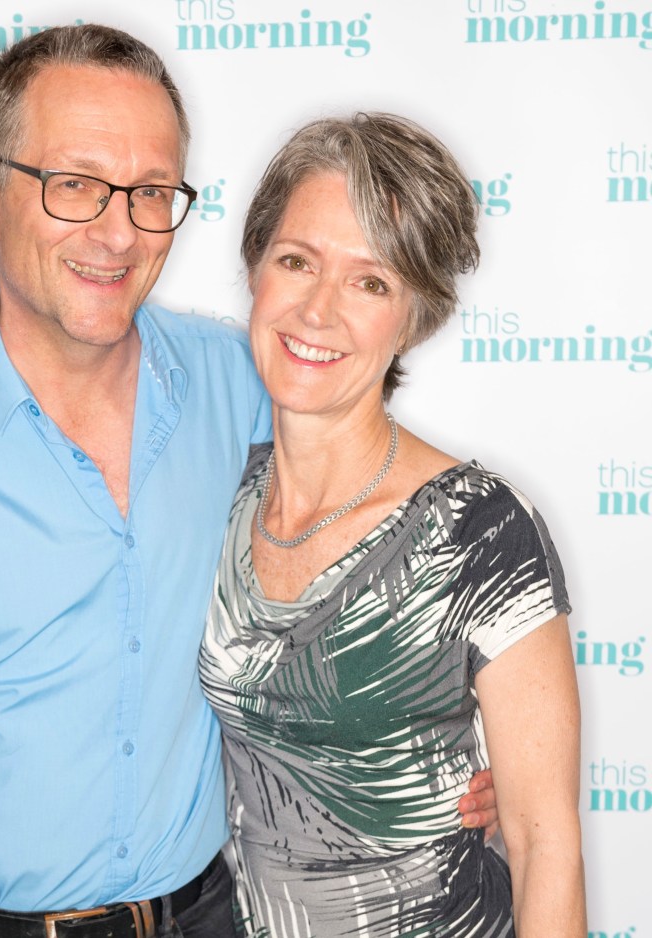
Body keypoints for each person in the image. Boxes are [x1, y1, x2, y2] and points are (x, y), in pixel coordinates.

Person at [0, 26, 498, 938]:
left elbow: (370, 529)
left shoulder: (249, 384)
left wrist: (432, 746)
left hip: (203, 915)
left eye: (149, 194)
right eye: (74, 185)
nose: (116, 231)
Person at [199, 113, 586, 937]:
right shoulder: (215, 498)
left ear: (415, 316)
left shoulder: (479, 531)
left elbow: (544, 840)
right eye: (296, 261)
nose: (317, 309)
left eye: (370, 282)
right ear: (255, 270)